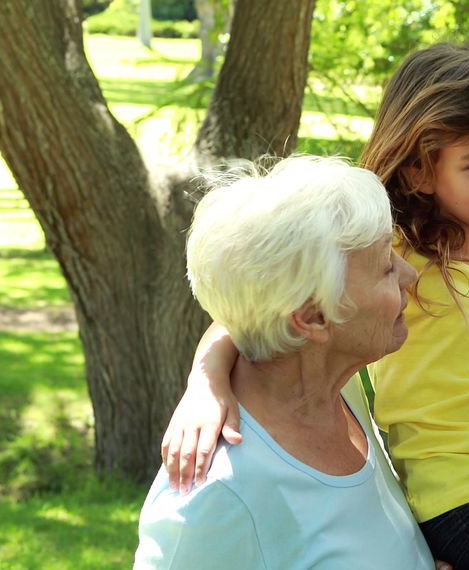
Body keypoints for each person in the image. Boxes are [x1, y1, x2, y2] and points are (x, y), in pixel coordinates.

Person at [160, 42, 469, 569]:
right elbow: (247, 316)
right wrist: (205, 384)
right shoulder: (392, 261)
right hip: (465, 499)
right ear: (420, 174)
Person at [133, 155, 434, 568]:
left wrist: (205, 374)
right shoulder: (215, 493)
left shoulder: (334, 385)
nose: (408, 275)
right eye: (384, 267)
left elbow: (243, 313)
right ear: (312, 318)